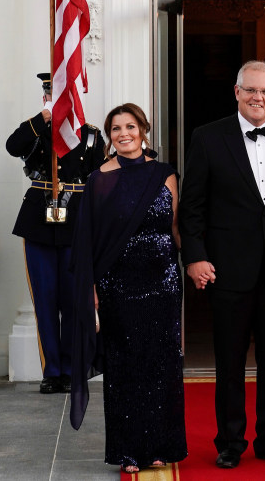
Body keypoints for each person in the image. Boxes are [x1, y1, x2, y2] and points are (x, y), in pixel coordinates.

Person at [179, 60, 265, 469]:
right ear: (236, 92)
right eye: (251, 90)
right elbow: (192, 206)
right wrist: (196, 256)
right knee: (230, 361)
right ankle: (230, 443)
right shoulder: (208, 137)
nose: (259, 98)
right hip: (226, 268)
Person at [69, 103, 188, 473]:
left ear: (143, 130)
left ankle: (158, 447)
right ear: (110, 136)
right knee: (126, 368)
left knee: (162, 365)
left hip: (165, 283)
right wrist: (90, 293)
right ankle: (127, 450)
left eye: (130, 126)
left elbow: (176, 229)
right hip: (119, 286)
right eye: (116, 129)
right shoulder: (98, 179)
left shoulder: (166, 174)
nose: (124, 134)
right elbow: (86, 242)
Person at [6, 72, 106, 394]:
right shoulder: (36, 130)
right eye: (51, 93)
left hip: (77, 222)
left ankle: (72, 368)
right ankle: (53, 370)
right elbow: (12, 146)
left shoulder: (89, 135)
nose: (57, 98)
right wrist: (43, 117)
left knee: (74, 301)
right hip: (38, 223)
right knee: (45, 300)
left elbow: (98, 181)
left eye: (63, 93)